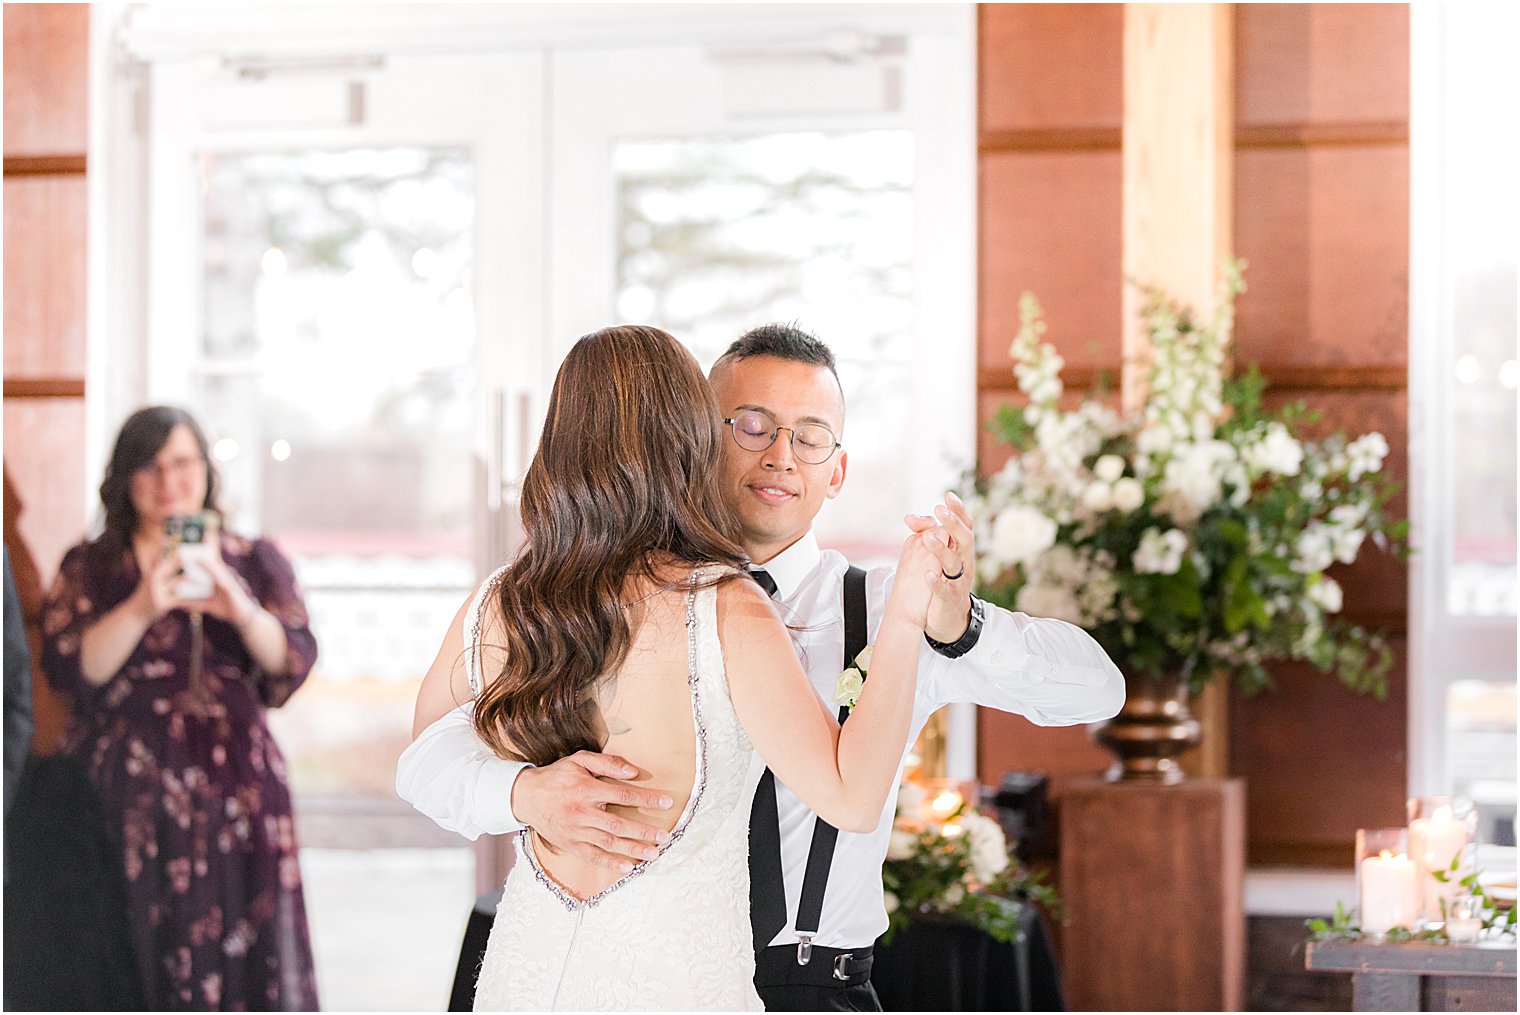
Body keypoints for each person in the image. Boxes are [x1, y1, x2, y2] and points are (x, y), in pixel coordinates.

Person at [398, 324, 1125, 1011]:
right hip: (654, 963)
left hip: (808, 982)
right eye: (751, 425)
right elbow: (431, 756)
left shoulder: (891, 600)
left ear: (837, 472)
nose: (780, 454)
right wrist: (523, 790)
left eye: (809, 438)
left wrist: (959, 626)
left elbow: (1099, 688)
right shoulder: (578, 602)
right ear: (694, 440)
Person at [39, 406, 320, 1010]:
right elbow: (69, 669)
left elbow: (292, 658)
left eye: (183, 462)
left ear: (205, 470)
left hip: (237, 792)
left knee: (242, 954)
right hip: (122, 795)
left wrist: (238, 605)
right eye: (151, 466)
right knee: (125, 947)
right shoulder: (91, 567)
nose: (169, 480)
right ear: (125, 479)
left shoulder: (252, 559)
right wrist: (144, 603)